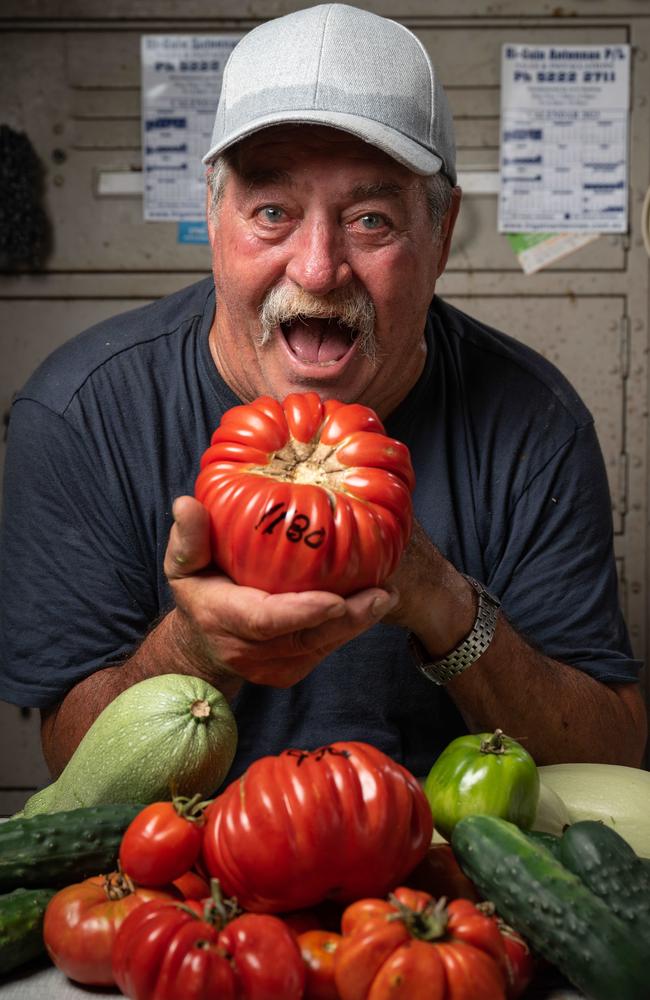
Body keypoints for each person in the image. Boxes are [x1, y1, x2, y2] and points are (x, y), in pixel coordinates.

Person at [0, 4, 646, 787]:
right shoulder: (82, 413)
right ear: (213, 216)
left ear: (441, 238)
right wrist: (199, 647)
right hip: (179, 882)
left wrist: (439, 600)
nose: (317, 268)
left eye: (370, 220)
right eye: (272, 213)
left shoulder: (534, 422)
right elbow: (72, 758)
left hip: (432, 884)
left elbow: (609, 755)